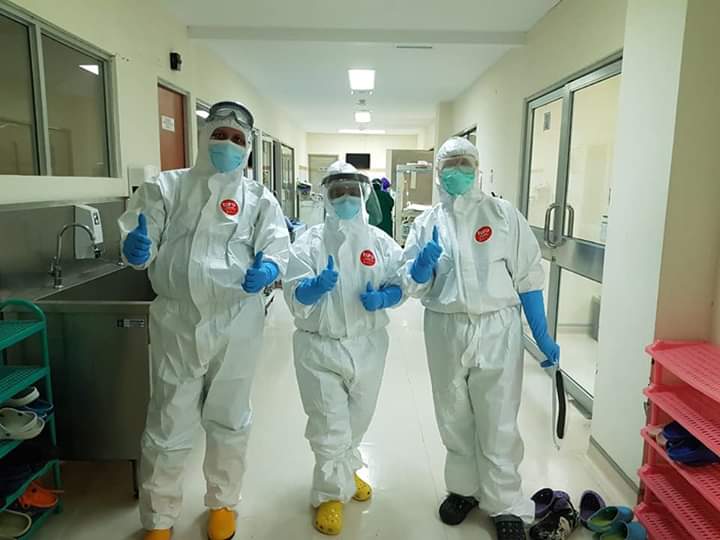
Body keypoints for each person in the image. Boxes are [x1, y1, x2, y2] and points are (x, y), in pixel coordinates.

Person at [118, 101, 290, 540]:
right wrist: (135, 249)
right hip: (176, 319)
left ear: (247, 149)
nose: (227, 145)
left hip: (237, 320)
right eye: (220, 135)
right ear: (203, 137)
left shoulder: (258, 198)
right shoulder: (167, 187)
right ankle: (159, 519)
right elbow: (140, 237)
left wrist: (270, 268)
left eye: (237, 140)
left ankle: (223, 504)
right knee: (168, 420)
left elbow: (277, 245)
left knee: (229, 417)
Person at [402, 137, 559, 540]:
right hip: (445, 326)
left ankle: (504, 502)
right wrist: (420, 268)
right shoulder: (427, 223)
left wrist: (541, 333)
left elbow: (527, 276)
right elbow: (411, 284)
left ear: (477, 168)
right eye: (449, 164)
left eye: (464, 163)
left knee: (498, 415)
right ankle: (464, 490)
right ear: (439, 172)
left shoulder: (503, 214)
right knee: (452, 412)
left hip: (497, 327)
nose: (457, 171)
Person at [283, 161, 404, 536]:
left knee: (357, 419)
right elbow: (294, 293)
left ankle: (346, 470)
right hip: (319, 347)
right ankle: (329, 495)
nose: (347, 198)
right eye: (338, 192)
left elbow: (400, 280)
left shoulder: (379, 242)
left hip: (370, 346)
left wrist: (386, 297)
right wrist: (314, 288)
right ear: (326, 198)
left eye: (353, 191)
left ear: (364, 195)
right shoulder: (309, 243)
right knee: (328, 424)